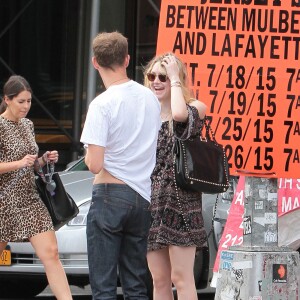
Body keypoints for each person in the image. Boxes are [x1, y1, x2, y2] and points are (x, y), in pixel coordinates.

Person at [80, 31, 161, 299]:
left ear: (95, 63)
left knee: (103, 287)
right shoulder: (150, 98)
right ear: (127, 60)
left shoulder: (101, 103)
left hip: (109, 195)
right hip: (142, 197)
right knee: (136, 284)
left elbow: (93, 164)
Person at [0, 75, 72, 299]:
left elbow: (29, 166)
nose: (26, 106)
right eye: (21, 101)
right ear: (7, 99)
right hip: (3, 200)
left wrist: (43, 160)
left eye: (29, 101)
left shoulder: (28, 125)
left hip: (29, 199)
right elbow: (18, 164)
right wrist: (19, 163)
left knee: (51, 253)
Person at [144, 53, 207, 300]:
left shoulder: (195, 108)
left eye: (164, 77)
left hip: (181, 205)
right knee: (159, 280)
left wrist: (175, 78)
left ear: (177, 79)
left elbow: (180, 115)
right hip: (151, 205)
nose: (157, 81)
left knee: (181, 278)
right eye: (152, 76)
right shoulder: (145, 115)